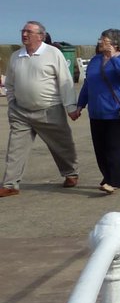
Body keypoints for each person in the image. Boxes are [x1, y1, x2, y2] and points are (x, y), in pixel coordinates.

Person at [0, 21, 79, 197]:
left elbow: (65, 81)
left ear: (41, 35)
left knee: (62, 145)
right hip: (20, 112)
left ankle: (71, 173)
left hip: (49, 110)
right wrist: (12, 102)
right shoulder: (16, 56)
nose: (24, 34)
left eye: (29, 31)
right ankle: (10, 184)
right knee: (15, 149)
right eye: (23, 31)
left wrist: (71, 106)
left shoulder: (53, 53)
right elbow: (10, 83)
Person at [69, 29, 120, 194]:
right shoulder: (95, 60)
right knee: (101, 150)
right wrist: (79, 105)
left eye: (104, 40)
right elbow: (88, 84)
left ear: (115, 43)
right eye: (100, 39)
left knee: (115, 149)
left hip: (119, 112)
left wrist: (113, 57)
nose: (100, 42)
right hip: (97, 112)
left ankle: (112, 181)